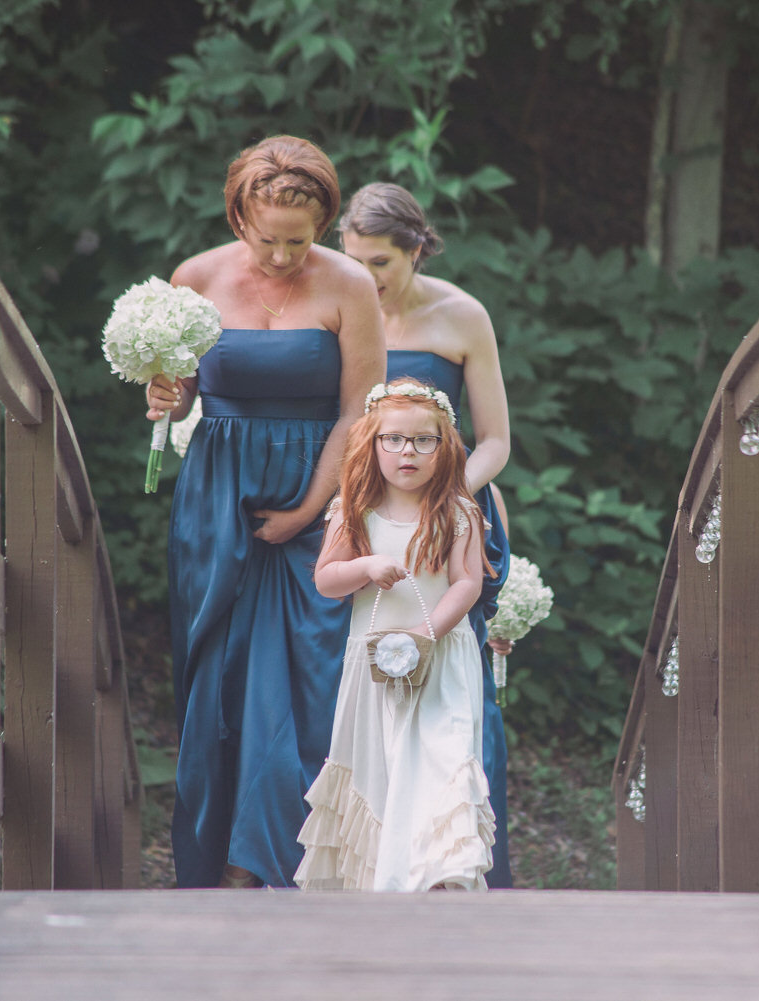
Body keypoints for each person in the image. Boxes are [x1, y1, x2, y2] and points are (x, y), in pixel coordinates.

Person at [144, 135, 383, 888]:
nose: (283, 257)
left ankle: (282, 865)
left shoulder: (349, 286)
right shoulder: (196, 276)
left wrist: (312, 508)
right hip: (218, 499)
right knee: (217, 676)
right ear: (240, 215)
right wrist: (163, 394)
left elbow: (360, 411)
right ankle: (218, 863)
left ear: (324, 224)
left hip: (322, 497)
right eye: (268, 240)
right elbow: (183, 389)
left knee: (304, 683)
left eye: (300, 242)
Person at [337, 183, 516, 886]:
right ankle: (377, 860)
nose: (365, 277)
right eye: (352, 261)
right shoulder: (343, 310)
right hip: (369, 519)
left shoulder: (463, 315)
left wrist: (448, 499)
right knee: (366, 676)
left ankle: (462, 863)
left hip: (455, 512)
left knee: (455, 679)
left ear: (415, 248)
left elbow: (496, 439)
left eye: (378, 262)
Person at [295, 378, 496, 891]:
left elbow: (467, 582)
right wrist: (365, 564)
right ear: (373, 444)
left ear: (443, 447)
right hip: (376, 663)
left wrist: (425, 631)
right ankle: (385, 879)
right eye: (395, 439)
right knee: (381, 765)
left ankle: (442, 876)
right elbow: (326, 580)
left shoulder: (457, 512)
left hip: (439, 658)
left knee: (441, 755)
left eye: (424, 440)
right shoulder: (352, 511)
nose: (409, 451)